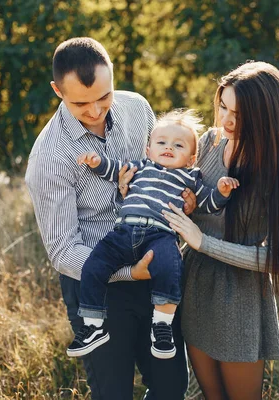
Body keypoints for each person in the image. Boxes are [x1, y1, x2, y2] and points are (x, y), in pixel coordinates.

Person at [25, 37, 188, 400]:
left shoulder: (138, 109)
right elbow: (64, 251)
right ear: (57, 90)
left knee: (171, 387)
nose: (96, 110)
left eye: (104, 96)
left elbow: (163, 169)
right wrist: (130, 273)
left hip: (154, 271)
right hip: (96, 285)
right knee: (113, 393)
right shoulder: (49, 157)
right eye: (81, 103)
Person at [160, 61, 279, 399]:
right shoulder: (207, 142)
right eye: (223, 106)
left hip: (240, 299)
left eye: (240, 114)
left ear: (265, 115)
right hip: (193, 287)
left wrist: (203, 242)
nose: (227, 120)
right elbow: (178, 192)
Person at [67, 110, 239, 360]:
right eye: (161, 143)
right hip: (124, 232)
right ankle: (93, 325)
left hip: (161, 235)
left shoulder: (191, 178)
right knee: (94, 264)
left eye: (178, 145)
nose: (168, 147)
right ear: (148, 150)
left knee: (171, 267)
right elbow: (114, 169)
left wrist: (222, 191)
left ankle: (162, 325)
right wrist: (97, 162)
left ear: (192, 159)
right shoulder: (141, 167)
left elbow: (209, 203)